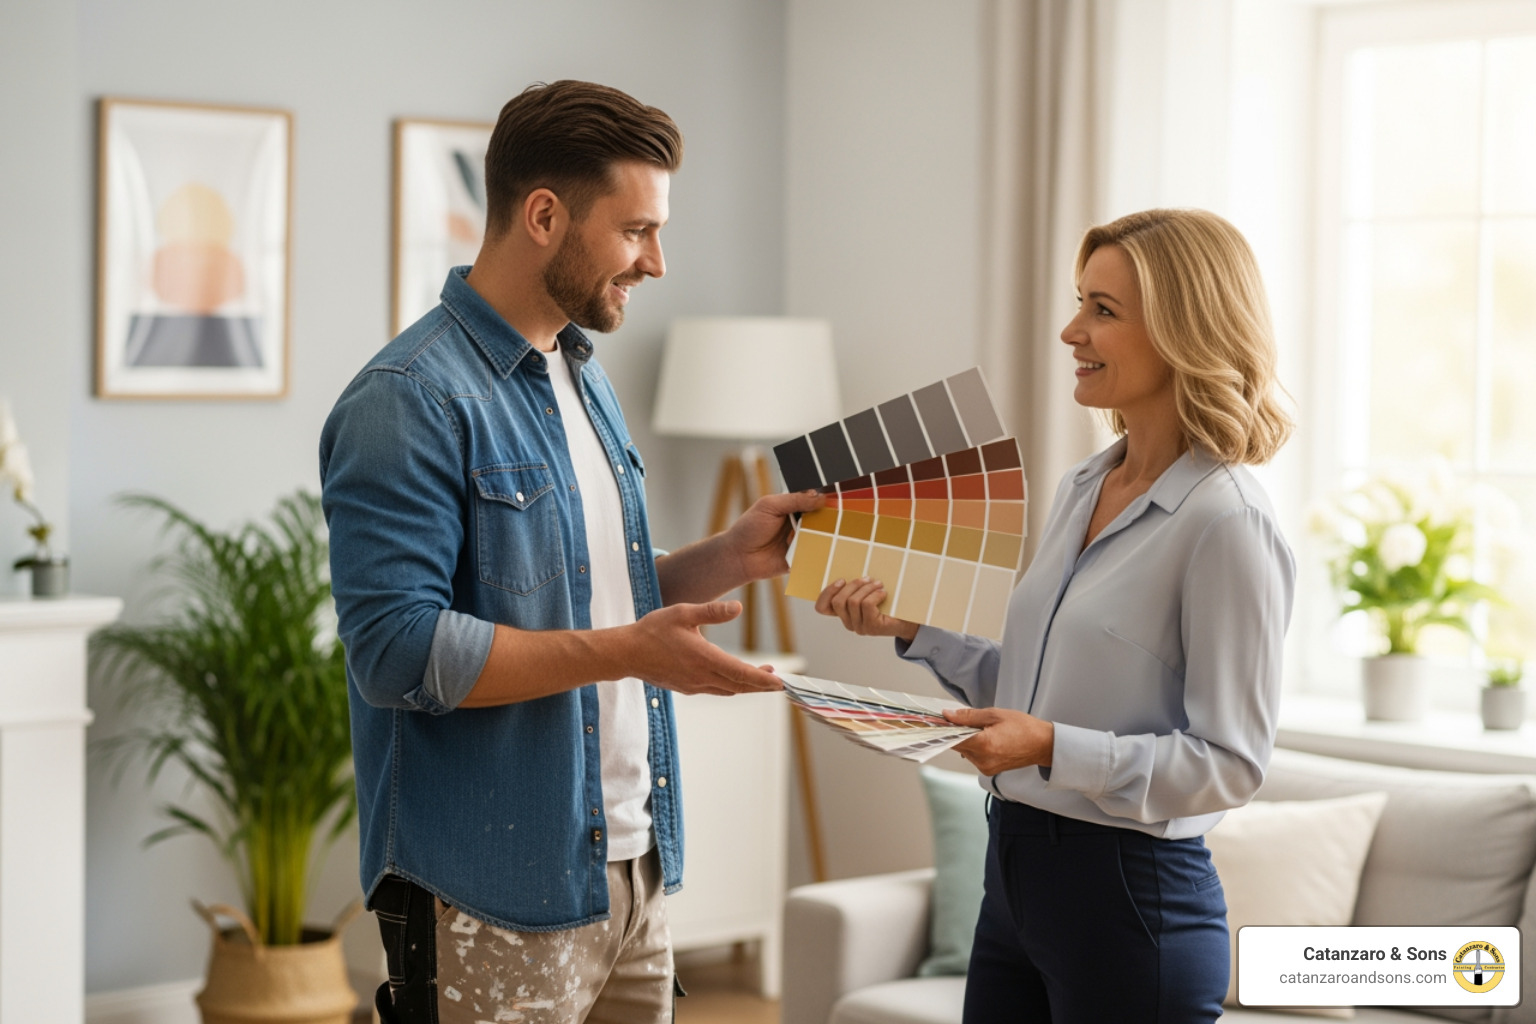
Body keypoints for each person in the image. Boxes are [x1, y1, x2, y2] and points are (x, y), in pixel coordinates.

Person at [319, 81, 818, 1024]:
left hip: (628, 870)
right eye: (636, 231)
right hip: (487, 892)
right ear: (544, 215)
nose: (658, 262)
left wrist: (726, 556)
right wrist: (631, 652)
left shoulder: (584, 381)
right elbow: (396, 652)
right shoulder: (407, 400)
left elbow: (585, 597)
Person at [816, 208, 1296, 1022]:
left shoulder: (1227, 522)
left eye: (1103, 311)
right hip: (1015, 876)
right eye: (1080, 301)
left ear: (1185, 330)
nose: (1072, 329)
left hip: (1129, 898)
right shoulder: (1084, 485)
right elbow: (1036, 686)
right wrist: (911, 629)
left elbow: (1230, 764)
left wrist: (1047, 746)